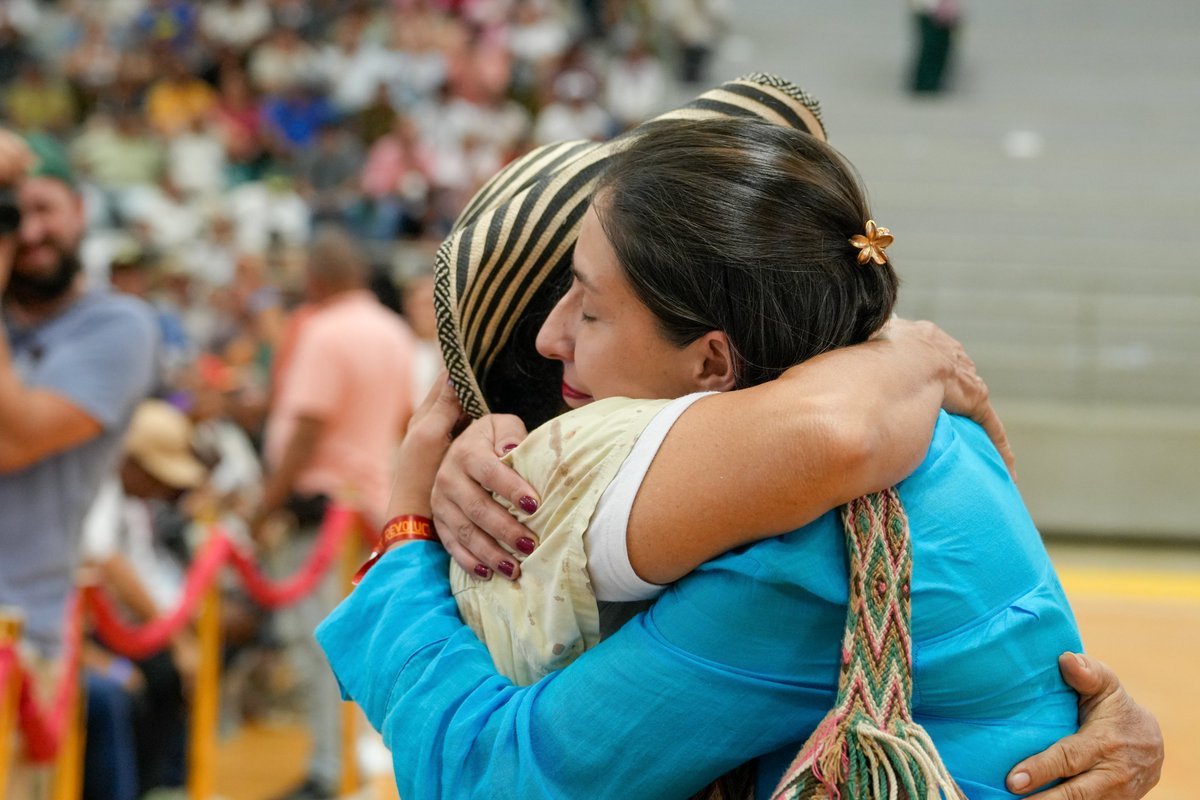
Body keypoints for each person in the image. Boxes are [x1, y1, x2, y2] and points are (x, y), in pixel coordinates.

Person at [318, 76, 1164, 798]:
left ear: (715, 364)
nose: (550, 339)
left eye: (591, 305)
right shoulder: (932, 424)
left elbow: (500, 775)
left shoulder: (791, 553)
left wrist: (404, 537)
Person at [0, 130, 158, 799]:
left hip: (17, 633)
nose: (28, 233)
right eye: (11, 216)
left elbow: (15, 437)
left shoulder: (119, 325)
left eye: (44, 210)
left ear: (81, 210)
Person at [253, 225, 418, 800]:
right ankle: (349, 762)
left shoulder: (323, 330)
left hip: (321, 509)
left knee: (318, 642)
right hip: (369, 507)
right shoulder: (394, 331)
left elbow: (307, 425)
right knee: (350, 639)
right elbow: (402, 423)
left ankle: (329, 768)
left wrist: (264, 503)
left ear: (317, 278)